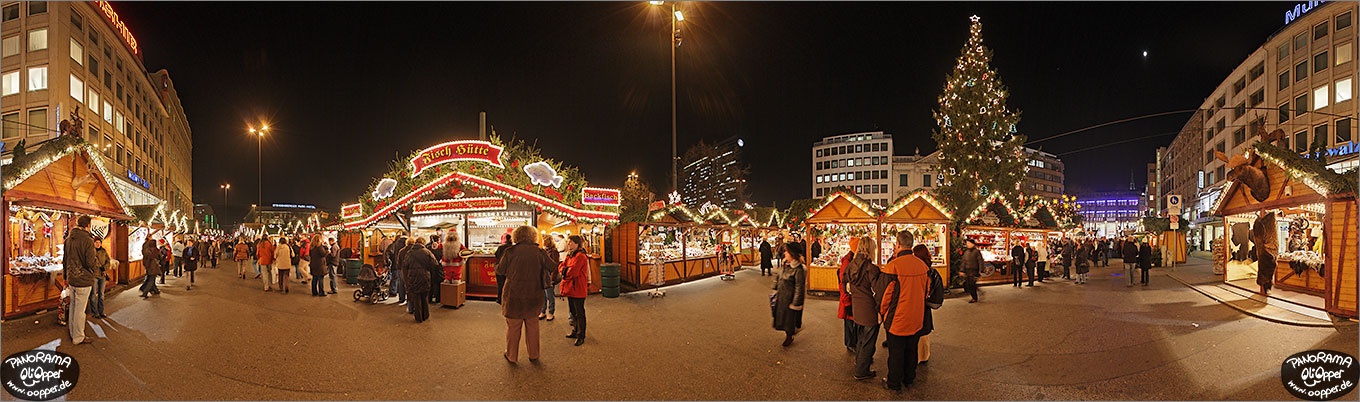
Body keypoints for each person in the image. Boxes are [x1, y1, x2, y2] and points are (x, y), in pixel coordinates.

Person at [878, 230, 932, 392]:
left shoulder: (892, 267)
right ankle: (909, 378)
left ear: (898, 244)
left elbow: (884, 297)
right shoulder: (922, 266)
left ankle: (894, 383)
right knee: (911, 350)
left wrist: (882, 314)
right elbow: (926, 292)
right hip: (916, 317)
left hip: (897, 319)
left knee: (896, 353)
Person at [496, 226, 555, 363]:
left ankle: (512, 356)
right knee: (533, 325)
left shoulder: (510, 251)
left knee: (513, 327)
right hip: (534, 294)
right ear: (533, 236)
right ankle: (534, 354)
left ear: (516, 236)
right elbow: (552, 267)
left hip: (513, 294)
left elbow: (500, 270)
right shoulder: (539, 252)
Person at [843, 236, 882, 380]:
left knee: (860, 339)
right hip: (870, 310)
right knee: (868, 342)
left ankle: (859, 365)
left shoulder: (850, 266)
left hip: (857, 309)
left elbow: (845, 286)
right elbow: (878, 292)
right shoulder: (872, 269)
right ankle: (861, 371)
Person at [62, 216, 101, 345]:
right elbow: (90, 262)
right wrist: (95, 269)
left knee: (73, 307)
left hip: (71, 278)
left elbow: (65, 259)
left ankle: (73, 333)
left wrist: (65, 277)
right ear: (88, 225)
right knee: (80, 310)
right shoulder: (88, 240)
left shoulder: (68, 239)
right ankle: (78, 337)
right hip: (83, 279)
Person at [913, 244, 944, 366]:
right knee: (924, 331)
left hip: (915, 305)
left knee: (916, 330)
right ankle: (923, 355)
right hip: (925, 307)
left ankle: (916, 355)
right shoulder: (931, 270)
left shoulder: (916, 270)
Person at [771, 241, 807, 347]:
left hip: (790, 299)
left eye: (786, 251)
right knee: (782, 318)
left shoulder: (799, 270)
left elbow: (799, 288)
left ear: (792, 253)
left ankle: (789, 336)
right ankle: (790, 333)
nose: (785, 253)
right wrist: (775, 287)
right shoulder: (786, 265)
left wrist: (796, 303)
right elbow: (779, 276)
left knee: (789, 321)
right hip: (782, 296)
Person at [560, 235, 590, 346]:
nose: (569, 244)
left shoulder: (581, 256)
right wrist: (565, 270)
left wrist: (565, 270)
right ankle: (575, 331)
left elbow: (574, 272)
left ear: (577, 244)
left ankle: (581, 335)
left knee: (579, 313)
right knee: (573, 312)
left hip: (578, 289)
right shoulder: (570, 256)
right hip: (570, 288)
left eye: (571, 242)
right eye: (568, 242)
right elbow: (561, 267)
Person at [403, 237, 438, 322]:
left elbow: (405, 265)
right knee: (424, 296)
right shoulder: (427, 252)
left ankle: (418, 317)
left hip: (413, 277)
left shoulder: (409, 253)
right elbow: (435, 264)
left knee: (416, 297)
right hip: (425, 276)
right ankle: (425, 315)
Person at [836, 238, 860, 355]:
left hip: (852, 298)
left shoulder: (850, 260)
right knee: (849, 322)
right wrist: (847, 303)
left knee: (852, 322)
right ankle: (850, 344)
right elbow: (843, 285)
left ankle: (852, 343)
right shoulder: (847, 263)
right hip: (848, 299)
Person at [87, 232, 111, 319]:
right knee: (93, 294)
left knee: (101, 294)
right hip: (94, 275)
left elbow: (108, 261)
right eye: (96, 242)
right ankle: (95, 312)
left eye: (99, 242)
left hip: (102, 275)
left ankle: (101, 311)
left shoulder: (103, 251)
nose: (98, 244)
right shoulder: (91, 252)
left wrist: (105, 267)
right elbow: (89, 263)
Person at [541, 237, 561, 321]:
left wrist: (552, 279)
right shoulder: (543, 251)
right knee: (543, 296)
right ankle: (543, 311)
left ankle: (551, 312)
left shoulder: (554, 252)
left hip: (549, 276)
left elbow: (555, 266)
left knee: (550, 295)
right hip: (543, 276)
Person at [388, 235, 408, 304]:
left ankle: (401, 297)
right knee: (407, 282)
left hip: (397, 265)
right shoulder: (406, 247)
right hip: (405, 267)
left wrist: (390, 261)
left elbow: (389, 253)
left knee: (399, 281)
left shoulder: (395, 244)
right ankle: (408, 298)